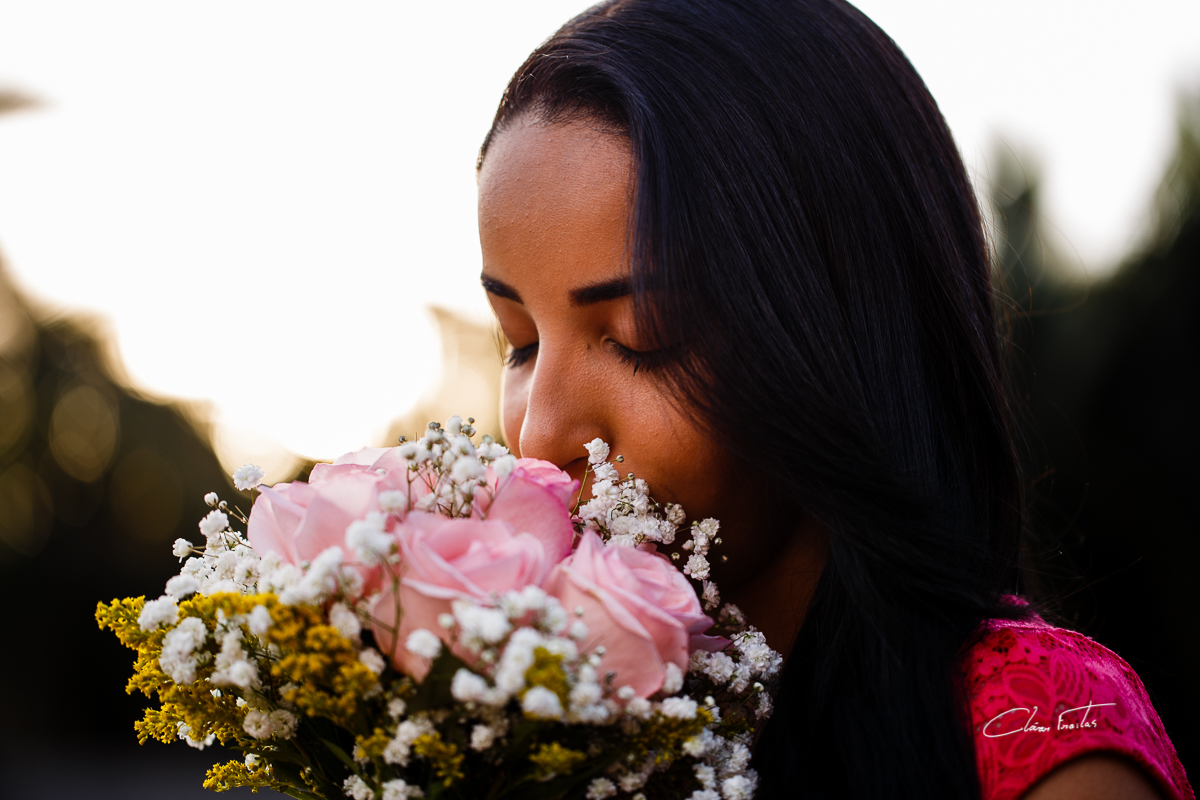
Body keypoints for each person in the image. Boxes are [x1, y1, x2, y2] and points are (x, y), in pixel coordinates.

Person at [474, 1, 1194, 798]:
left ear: (832, 330)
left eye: (642, 335)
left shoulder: (1033, 739)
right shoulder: (526, 725)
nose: (540, 435)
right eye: (522, 342)